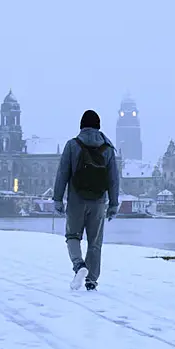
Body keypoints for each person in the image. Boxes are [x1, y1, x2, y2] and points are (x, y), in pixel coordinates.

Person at [53, 110, 120, 291]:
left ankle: (79, 266)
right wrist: (113, 204)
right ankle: (91, 280)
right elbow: (114, 179)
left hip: (76, 199)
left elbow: (62, 174)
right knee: (95, 242)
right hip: (99, 201)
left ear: (81, 126)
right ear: (98, 126)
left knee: (72, 236)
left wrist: (57, 199)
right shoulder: (107, 148)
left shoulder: (72, 145)